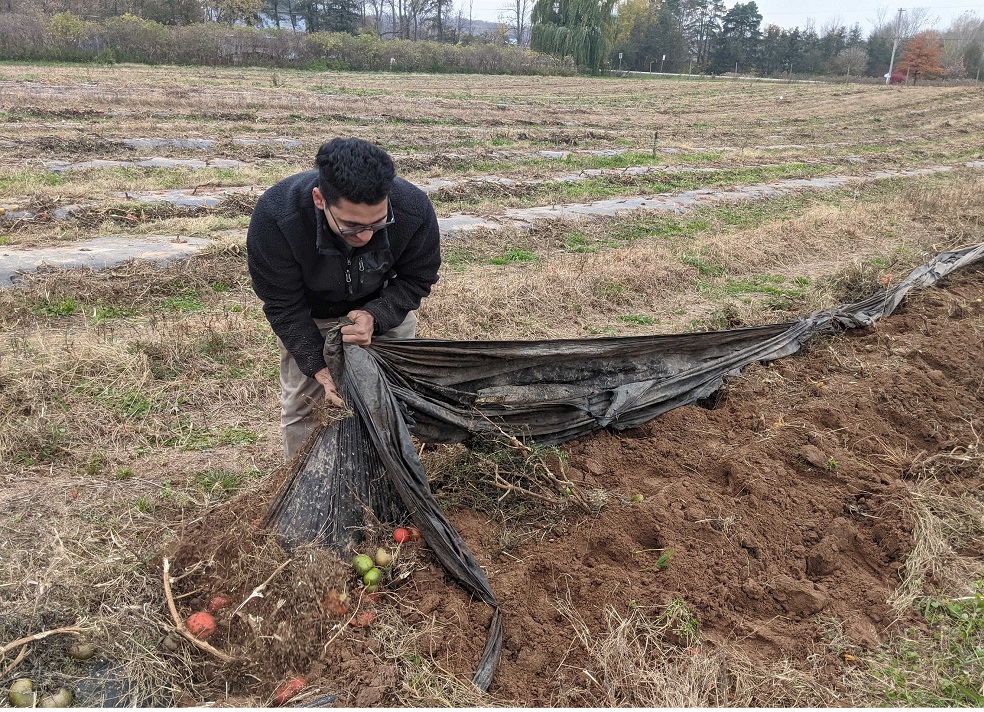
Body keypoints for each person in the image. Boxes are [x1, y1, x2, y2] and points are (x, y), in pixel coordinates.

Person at [247, 138, 441, 460]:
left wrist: (375, 315)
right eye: (351, 226)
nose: (365, 237)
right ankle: (304, 489)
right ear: (320, 199)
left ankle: (390, 472)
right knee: (305, 408)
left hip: (381, 305)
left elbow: (417, 278)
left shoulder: (412, 209)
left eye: (378, 224)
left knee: (393, 397)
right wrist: (318, 368)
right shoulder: (277, 216)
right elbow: (283, 304)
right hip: (310, 315)